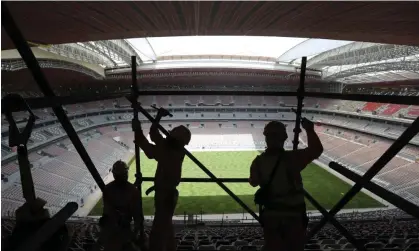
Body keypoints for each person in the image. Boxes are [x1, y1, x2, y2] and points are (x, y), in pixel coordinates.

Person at [249, 118, 323, 251]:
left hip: (271, 215)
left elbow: (254, 182)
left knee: (273, 246)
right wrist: (309, 129)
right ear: (284, 138)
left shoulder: (258, 162)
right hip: (294, 214)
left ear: (266, 138)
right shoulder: (293, 158)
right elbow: (316, 150)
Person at [134, 113, 191, 251]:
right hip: (167, 194)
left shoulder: (170, 150)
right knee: (166, 228)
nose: (167, 135)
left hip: (165, 194)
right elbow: (153, 141)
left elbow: (151, 145)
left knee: (158, 230)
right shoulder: (173, 149)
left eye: (171, 134)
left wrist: (139, 131)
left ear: (176, 139)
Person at [96, 160, 143, 251]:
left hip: (111, 232)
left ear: (114, 175)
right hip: (124, 233)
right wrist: (135, 235)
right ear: (126, 174)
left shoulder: (108, 189)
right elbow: (138, 217)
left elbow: (107, 212)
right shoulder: (133, 191)